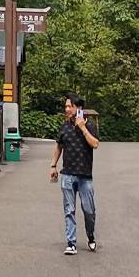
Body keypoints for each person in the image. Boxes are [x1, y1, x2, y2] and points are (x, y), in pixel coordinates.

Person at [49, 95, 100, 254]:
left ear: (79, 108)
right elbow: (59, 146)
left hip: (85, 175)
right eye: (65, 106)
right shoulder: (64, 127)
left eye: (69, 106)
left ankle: (90, 236)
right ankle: (71, 243)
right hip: (68, 174)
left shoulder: (90, 125)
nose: (66, 109)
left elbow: (95, 144)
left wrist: (83, 128)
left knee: (89, 211)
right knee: (69, 210)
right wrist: (53, 165)